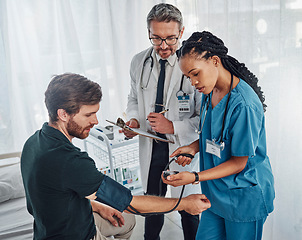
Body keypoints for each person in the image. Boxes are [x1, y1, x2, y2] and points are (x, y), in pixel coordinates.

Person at [20, 73, 211, 240]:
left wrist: (97, 206)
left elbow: (54, 196)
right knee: (129, 212)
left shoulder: (33, 142)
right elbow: (130, 203)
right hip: (76, 234)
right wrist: (184, 204)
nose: (95, 121)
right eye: (89, 115)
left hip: (50, 228)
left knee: (126, 220)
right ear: (63, 114)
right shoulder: (70, 161)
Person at [162, 31, 275, 240]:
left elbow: (238, 163)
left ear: (215, 61)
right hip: (216, 195)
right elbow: (214, 136)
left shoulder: (244, 105)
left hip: (243, 198)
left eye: (196, 73)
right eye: (188, 77)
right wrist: (193, 148)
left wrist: (194, 177)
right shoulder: (210, 91)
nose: (193, 82)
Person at [123, 3, 202, 240]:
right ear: (148, 33)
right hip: (152, 146)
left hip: (181, 147)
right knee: (153, 205)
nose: (163, 46)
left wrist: (173, 127)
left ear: (181, 32)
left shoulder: (194, 65)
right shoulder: (139, 61)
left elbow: (204, 117)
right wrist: (134, 120)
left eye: (170, 38)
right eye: (156, 39)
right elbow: (134, 98)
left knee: (187, 206)